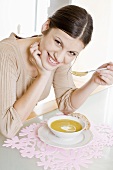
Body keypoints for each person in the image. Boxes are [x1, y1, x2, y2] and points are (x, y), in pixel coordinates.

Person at [0, 5, 113, 138]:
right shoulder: (6, 54)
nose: (59, 57)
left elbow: (66, 105)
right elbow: (7, 127)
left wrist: (94, 81)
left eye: (71, 53)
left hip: (19, 128)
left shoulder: (58, 57)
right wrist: (44, 75)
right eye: (58, 42)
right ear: (46, 26)